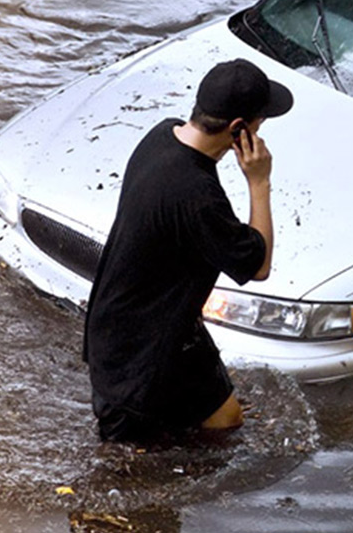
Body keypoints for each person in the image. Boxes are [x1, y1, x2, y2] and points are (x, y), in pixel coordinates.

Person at [83, 58, 293, 442]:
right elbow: (258, 265)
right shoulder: (196, 195)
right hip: (137, 360)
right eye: (260, 121)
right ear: (238, 129)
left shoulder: (161, 136)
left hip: (140, 329)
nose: (262, 130)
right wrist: (259, 182)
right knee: (132, 469)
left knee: (226, 419)